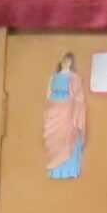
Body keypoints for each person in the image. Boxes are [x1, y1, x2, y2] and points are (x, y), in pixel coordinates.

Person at [42, 51, 86, 179]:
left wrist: (74, 104)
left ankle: (69, 171)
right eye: (64, 60)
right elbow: (48, 95)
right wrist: (54, 105)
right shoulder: (53, 77)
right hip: (55, 110)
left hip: (69, 112)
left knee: (69, 139)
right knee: (55, 140)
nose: (66, 62)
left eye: (68, 60)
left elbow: (79, 97)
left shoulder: (75, 78)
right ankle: (56, 172)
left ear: (71, 63)